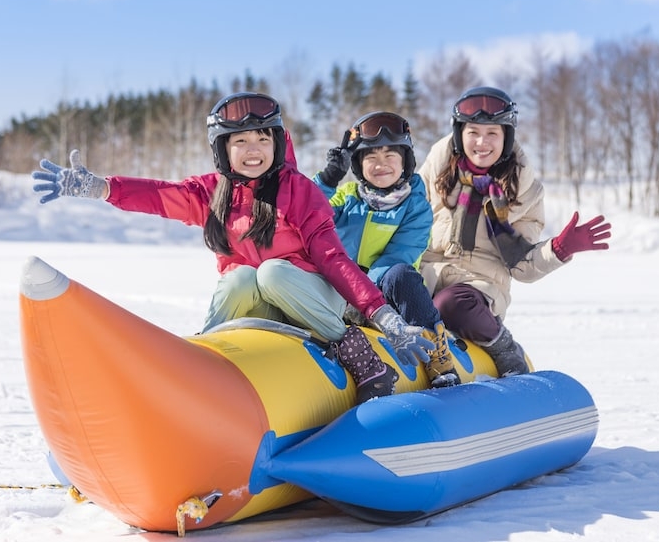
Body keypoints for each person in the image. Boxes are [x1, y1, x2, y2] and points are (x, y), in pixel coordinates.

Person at [31, 91, 434, 405]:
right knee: (240, 276)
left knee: (272, 270)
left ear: (277, 142)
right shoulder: (212, 193)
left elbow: (334, 260)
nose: (253, 148)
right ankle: (201, 365)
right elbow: (159, 196)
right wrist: (102, 188)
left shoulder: (301, 192)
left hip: (315, 302)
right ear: (223, 148)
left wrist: (383, 316)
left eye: (262, 137)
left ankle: (360, 357)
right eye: (240, 140)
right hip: (261, 307)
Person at [418, 86, 612, 377]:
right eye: (473, 132)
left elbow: (523, 268)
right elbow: (407, 214)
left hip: (476, 291)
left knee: (449, 304)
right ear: (460, 134)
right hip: (426, 275)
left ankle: (503, 347)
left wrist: (559, 249)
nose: (482, 142)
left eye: (492, 133)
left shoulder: (524, 190)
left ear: (506, 136)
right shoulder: (438, 166)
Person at [313, 111, 460, 388]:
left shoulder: (415, 207)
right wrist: (328, 180)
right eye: (371, 157)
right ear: (357, 164)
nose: (381, 164)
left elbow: (398, 255)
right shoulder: (346, 198)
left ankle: (437, 358)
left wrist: (359, 293)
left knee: (400, 274)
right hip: (343, 298)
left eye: (390, 155)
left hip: (390, 298)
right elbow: (303, 216)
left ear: (405, 161)